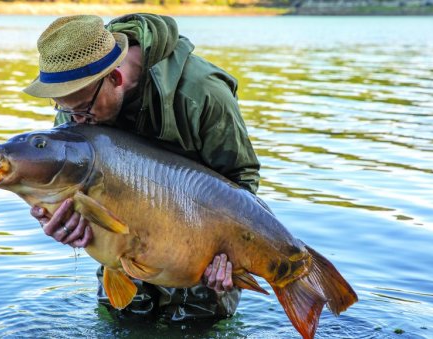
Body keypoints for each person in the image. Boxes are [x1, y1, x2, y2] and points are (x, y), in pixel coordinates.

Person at [23, 14, 261, 321]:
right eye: (63, 110)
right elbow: (74, 186)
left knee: (197, 323)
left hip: (199, 245)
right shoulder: (76, 108)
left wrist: (227, 255)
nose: (74, 121)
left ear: (115, 79)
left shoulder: (202, 92)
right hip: (124, 246)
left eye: (82, 111)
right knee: (121, 320)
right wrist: (63, 222)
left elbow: (242, 180)